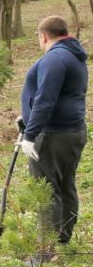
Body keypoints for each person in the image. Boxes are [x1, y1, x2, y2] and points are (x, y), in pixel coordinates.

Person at [19, 15, 88, 254]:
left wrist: (30, 134)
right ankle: (63, 238)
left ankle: (45, 251)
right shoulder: (74, 56)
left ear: (43, 36)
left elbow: (45, 100)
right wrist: (25, 116)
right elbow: (59, 96)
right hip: (72, 131)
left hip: (52, 134)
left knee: (46, 190)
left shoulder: (55, 58)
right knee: (65, 185)